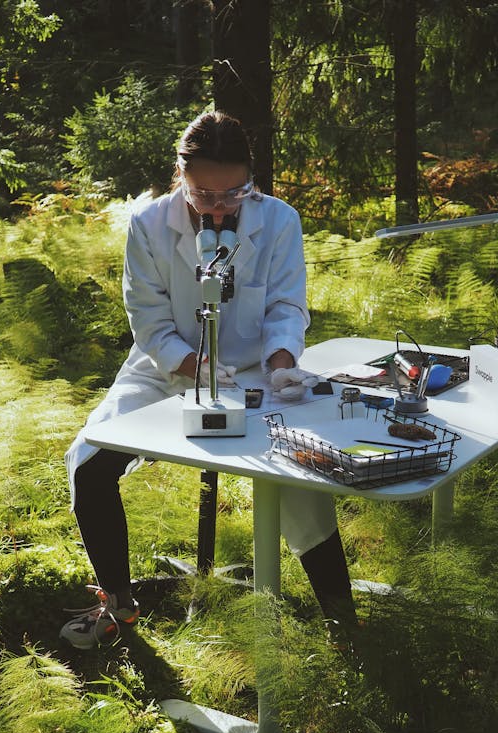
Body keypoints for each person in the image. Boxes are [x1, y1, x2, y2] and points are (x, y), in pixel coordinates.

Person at [61, 110, 356, 649]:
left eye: (234, 195)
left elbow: (287, 305)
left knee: (301, 486)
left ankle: (345, 628)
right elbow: (148, 322)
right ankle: (118, 605)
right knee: (90, 460)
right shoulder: (149, 225)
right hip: (166, 369)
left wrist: (284, 364)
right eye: (204, 196)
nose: (219, 209)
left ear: (252, 180)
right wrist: (190, 364)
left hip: (255, 370)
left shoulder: (280, 221)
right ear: (181, 177)